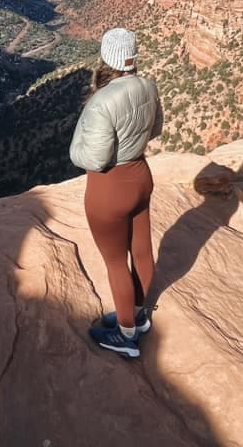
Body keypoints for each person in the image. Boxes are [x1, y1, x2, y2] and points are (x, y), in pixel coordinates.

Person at [69, 27, 161, 358]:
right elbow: (157, 128)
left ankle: (127, 336)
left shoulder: (102, 100)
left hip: (109, 187)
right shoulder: (148, 85)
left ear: (107, 58)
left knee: (115, 263)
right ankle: (138, 315)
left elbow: (94, 158)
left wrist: (73, 152)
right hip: (141, 176)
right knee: (142, 252)